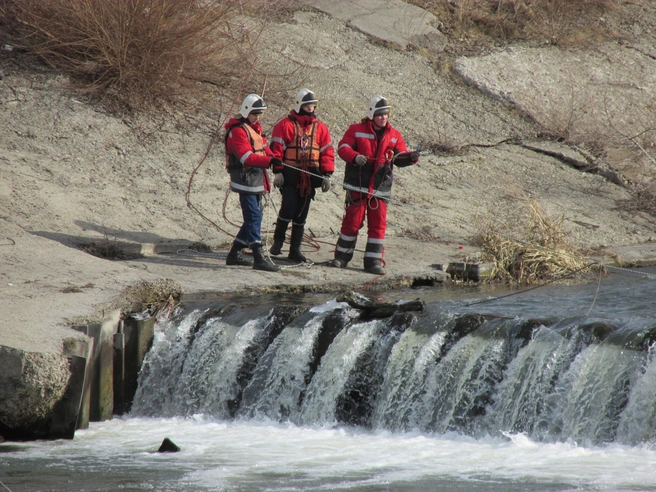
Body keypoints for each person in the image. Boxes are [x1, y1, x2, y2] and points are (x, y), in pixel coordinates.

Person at [331, 95, 419, 274]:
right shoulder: (356, 129)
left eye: (386, 114)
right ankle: (342, 257)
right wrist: (355, 157)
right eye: (380, 114)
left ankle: (373, 262)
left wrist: (410, 158)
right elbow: (342, 148)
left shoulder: (394, 135)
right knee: (351, 223)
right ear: (372, 114)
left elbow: (399, 157)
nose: (383, 117)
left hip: (380, 188)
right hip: (358, 186)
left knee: (378, 225)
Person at [268, 88, 335, 263]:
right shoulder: (285, 125)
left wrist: (327, 174)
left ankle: (295, 250)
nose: (311, 108)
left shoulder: (320, 128)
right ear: (299, 105)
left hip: (310, 178)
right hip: (290, 175)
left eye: (313, 105)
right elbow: (276, 151)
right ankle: (278, 242)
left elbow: (327, 152)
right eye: (307, 105)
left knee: (301, 214)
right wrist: (278, 173)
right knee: (288, 207)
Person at [224, 93, 281, 272]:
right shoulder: (238, 131)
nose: (258, 118)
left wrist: (275, 161)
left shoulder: (254, 128)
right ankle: (258, 256)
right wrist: (269, 162)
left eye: (260, 115)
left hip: (256, 179)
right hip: (245, 180)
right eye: (255, 114)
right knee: (254, 216)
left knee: (254, 216)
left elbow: (264, 148)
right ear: (246, 111)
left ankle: (234, 254)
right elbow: (246, 157)